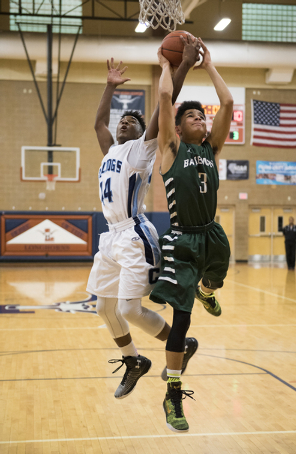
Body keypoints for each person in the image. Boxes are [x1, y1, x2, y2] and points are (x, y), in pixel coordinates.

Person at [87, 43, 200, 400]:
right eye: (123, 120)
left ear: (141, 133)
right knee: (104, 306)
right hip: (110, 238)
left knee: (128, 309)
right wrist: (110, 86)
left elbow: (164, 103)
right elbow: (99, 123)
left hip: (135, 234)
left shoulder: (141, 149)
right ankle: (134, 362)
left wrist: (180, 65)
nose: (124, 123)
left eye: (132, 122)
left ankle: (179, 343)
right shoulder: (111, 150)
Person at [150, 38, 233, 432]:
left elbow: (229, 104)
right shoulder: (171, 149)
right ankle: (173, 395)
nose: (200, 118)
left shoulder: (212, 150)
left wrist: (210, 66)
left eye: (203, 115)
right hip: (182, 240)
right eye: (193, 116)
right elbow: (166, 98)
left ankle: (208, 289)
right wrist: (167, 64)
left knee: (220, 270)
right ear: (180, 127)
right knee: (182, 322)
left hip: (211, 234)